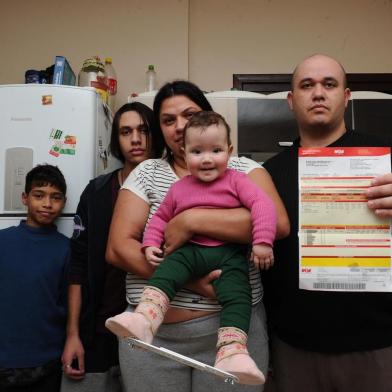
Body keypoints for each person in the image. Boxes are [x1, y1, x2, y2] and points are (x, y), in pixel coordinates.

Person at [105, 80, 290, 392]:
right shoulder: (148, 171)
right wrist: (192, 281)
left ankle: (233, 349)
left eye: (189, 115)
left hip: (232, 326)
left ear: (208, 116)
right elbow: (119, 248)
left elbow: (278, 223)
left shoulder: (243, 169)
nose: (179, 126)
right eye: (167, 120)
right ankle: (146, 316)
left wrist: (192, 220)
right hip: (154, 339)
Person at [262, 53, 392, 392]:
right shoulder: (267, 174)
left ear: (346, 97)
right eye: (307, 85)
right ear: (292, 100)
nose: (318, 93)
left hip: (377, 345)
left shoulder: (385, 160)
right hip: (293, 348)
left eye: (329, 84)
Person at [60, 102, 161, 392]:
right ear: (116, 140)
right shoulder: (97, 192)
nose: (136, 139)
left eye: (143, 130)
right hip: (97, 329)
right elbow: (77, 266)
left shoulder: (175, 186)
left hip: (152, 330)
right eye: (126, 131)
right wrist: (73, 335)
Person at [0, 164, 69, 392]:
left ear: (64, 202)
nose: (47, 204)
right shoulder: (3, 241)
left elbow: (68, 302)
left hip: (47, 363)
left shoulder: (66, 248)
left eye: (55, 197)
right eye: (39, 195)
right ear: (25, 198)